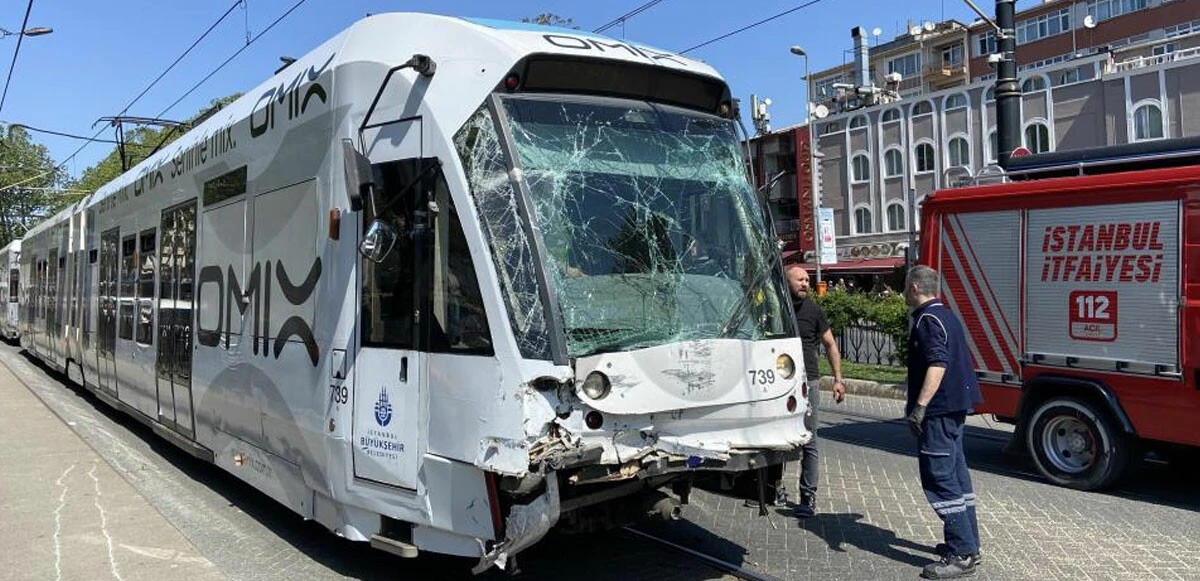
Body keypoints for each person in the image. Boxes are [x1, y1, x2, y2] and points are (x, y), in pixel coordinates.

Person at [902, 266, 984, 580]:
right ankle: (967, 542)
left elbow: (937, 363)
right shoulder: (947, 315)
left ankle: (962, 554)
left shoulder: (926, 320)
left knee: (940, 479)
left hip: (937, 412)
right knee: (957, 478)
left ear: (913, 288)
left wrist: (919, 407)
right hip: (954, 409)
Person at [784, 264, 846, 517]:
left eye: (807, 280)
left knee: (809, 439)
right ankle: (771, 487)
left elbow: (830, 344)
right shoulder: (776, 307)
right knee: (776, 437)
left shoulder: (814, 311)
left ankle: (807, 497)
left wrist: (838, 379)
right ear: (786, 282)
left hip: (807, 381)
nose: (805, 284)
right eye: (799, 280)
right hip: (780, 381)